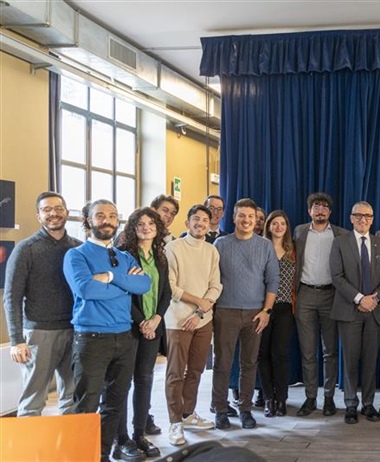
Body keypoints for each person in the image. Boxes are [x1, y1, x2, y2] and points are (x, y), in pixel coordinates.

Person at [63, 199, 151, 462]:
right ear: (88, 220)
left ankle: (101, 454)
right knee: (87, 404)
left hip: (124, 337)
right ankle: (83, 456)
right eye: (100, 215)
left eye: (112, 215)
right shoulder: (76, 255)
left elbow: (144, 285)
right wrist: (126, 285)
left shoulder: (125, 257)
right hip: (91, 338)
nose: (107, 220)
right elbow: (86, 289)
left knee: (114, 402)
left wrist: (112, 278)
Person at [3, 191, 81, 417]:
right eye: (47, 210)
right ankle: (27, 451)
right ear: (39, 216)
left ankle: (68, 449)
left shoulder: (78, 248)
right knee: (33, 399)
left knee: (72, 397)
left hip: (74, 331)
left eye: (58, 209)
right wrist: (17, 340)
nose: (53, 214)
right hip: (39, 333)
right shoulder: (25, 249)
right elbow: (11, 297)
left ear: (66, 212)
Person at [212, 198, 279, 430]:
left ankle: (245, 409)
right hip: (225, 312)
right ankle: (220, 410)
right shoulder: (220, 244)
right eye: (242, 215)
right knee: (222, 363)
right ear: (234, 218)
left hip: (255, 314)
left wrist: (266, 311)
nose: (246, 220)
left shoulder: (265, 246)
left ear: (256, 219)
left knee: (249, 363)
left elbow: (273, 280)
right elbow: (212, 279)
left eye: (251, 216)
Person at [113, 207, 172, 459]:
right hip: (129, 327)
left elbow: (165, 292)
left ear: (157, 228)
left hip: (153, 326)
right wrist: (142, 322)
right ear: (133, 228)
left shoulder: (160, 256)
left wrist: (156, 319)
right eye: (140, 224)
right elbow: (123, 293)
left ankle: (139, 434)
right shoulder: (124, 255)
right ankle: (121, 439)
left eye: (151, 223)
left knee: (145, 380)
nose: (146, 227)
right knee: (122, 383)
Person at [165, 204, 222, 446]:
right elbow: (172, 286)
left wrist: (199, 311)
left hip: (202, 319)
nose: (200, 223)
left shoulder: (211, 251)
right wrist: (196, 302)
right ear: (187, 223)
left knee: (196, 370)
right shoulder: (173, 248)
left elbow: (216, 286)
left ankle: (188, 413)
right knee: (176, 372)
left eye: (205, 220)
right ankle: (175, 421)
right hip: (177, 320)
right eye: (195, 219)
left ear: (210, 225)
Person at [294, 192, 348, 417]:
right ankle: (309, 398)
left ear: (330, 212)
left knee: (330, 352)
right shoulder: (299, 232)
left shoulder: (341, 234)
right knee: (307, 352)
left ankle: (328, 399)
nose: (320, 209)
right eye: (316, 206)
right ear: (309, 211)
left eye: (325, 206)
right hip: (305, 294)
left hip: (331, 296)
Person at [330, 201, 380, 424]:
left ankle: (368, 404)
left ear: (372, 219)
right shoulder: (340, 242)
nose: (363, 219)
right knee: (349, 359)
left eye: (368, 216)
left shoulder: (379, 243)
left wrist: (373, 300)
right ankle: (351, 404)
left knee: (370, 360)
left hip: (375, 311)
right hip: (349, 310)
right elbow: (337, 277)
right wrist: (360, 298)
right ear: (351, 218)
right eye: (359, 215)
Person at [258, 210, 295, 417]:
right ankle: (268, 399)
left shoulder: (293, 250)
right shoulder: (261, 248)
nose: (279, 227)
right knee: (262, 354)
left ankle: (281, 398)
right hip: (262, 308)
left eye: (282, 223)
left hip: (284, 309)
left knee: (280, 354)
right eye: (275, 223)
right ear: (268, 226)